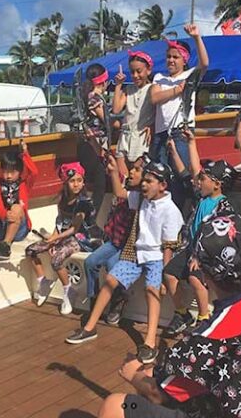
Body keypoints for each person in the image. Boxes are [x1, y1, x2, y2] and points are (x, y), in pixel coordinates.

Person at [97, 113, 241, 418]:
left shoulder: (199, 344)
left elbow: (158, 393)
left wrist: (133, 375)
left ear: (202, 273)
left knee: (116, 404)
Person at [67, 159, 183, 367]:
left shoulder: (171, 211)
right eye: (144, 181)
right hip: (137, 252)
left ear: (163, 185)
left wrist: (165, 275)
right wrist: (113, 171)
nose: (144, 185)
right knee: (111, 280)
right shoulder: (141, 199)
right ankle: (90, 327)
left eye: (149, 181)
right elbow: (121, 193)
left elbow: (169, 246)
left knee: (152, 290)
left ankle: (150, 342)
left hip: (156, 256)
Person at [164, 129, 235, 336]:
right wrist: (186, 146)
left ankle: (204, 317)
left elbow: (217, 237)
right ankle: (183, 312)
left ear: (217, 184)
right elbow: (188, 172)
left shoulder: (224, 207)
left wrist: (199, 256)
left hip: (207, 253)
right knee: (169, 273)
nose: (199, 181)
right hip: (191, 249)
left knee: (196, 279)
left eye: (204, 178)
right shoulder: (201, 196)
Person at [26, 162, 100, 315]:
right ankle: (43, 281)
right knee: (31, 250)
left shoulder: (84, 202)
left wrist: (55, 240)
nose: (76, 185)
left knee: (56, 259)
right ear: (66, 182)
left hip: (82, 238)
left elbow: (75, 228)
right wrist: (53, 237)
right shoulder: (63, 200)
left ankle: (68, 291)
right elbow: (60, 221)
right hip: (64, 236)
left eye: (79, 181)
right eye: (72, 181)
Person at [81, 155, 146, 327]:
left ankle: (118, 300)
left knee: (112, 267)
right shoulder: (125, 185)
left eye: (137, 170)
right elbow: (111, 164)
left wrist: (115, 172)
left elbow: (119, 192)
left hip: (127, 245)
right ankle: (94, 299)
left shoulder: (140, 197)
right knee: (90, 262)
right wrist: (113, 170)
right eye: (131, 168)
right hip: (114, 240)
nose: (131, 172)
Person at [149, 23, 209, 207]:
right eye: (168, 57)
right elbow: (154, 97)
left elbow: (205, 63)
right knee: (161, 177)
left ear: (184, 60)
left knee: (184, 177)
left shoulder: (190, 75)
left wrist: (196, 37)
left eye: (175, 57)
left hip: (181, 133)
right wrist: (178, 90)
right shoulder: (159, 77)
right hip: (161, 134)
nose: (171, 60)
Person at [113, 51, 154, 177]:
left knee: (138, 174)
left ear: (148, 70)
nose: (135, 75)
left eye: (139, 71)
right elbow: (116, 109)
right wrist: (118, 85)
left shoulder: (153, 89)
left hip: (142, 138)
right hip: (125, 136)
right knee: (124, 176)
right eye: (132, 72)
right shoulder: (128, 90)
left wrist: (152, 127)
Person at [77, 63, 111, 214]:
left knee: (91, 183)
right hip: (94, 145)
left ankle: (85, 217)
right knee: (100, 184)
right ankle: (92, 216)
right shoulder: (95, 98)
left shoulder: (86, 96)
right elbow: (106, 120)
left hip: (87, 145)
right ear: (103, 82)